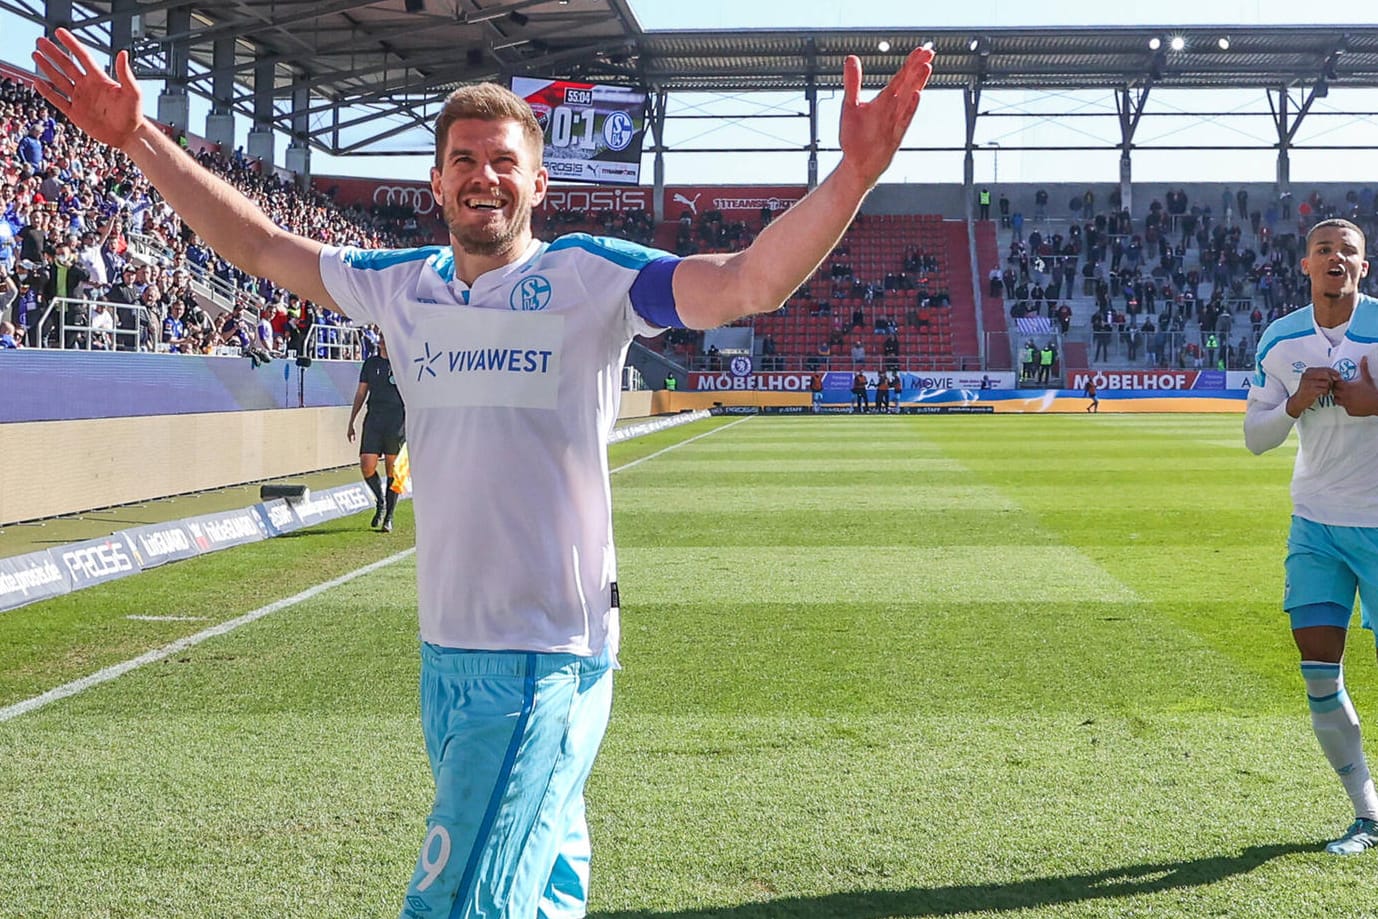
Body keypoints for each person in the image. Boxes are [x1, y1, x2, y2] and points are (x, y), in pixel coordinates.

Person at [32, 27, 934, 918]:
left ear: (539, 182)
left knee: (454, 903)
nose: (483, 175)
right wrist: (139, 140)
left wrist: (852, 175)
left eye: (503, 161)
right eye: (463, 159)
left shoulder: (594, 278)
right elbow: (262, 246)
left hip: (545, 656)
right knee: (537, 898)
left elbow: (744, 283)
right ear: (436, 183)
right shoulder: (400, 284)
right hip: (446, 655)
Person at [1245, 218, 1378, 856]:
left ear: (1363, 266)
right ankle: (1367, 816)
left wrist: (1374, 402)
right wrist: (1295, 403)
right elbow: (1255, 437)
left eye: (1346, 250)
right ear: (1306, 265)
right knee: (1320, 674)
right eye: (1323, 249)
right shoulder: (1282, 339)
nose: (1335, 257)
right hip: (1317, 523)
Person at [347, 334, 406, 532]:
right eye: (380, 337)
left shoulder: (403, 362)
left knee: (393, 470)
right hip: (374, 419)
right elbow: (361, 392)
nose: (382, 340)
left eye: (385, 336)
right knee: (367, 465)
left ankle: (389, 516)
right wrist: (352, 420)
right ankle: (380, 501)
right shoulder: (371, 364)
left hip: (396, 421)